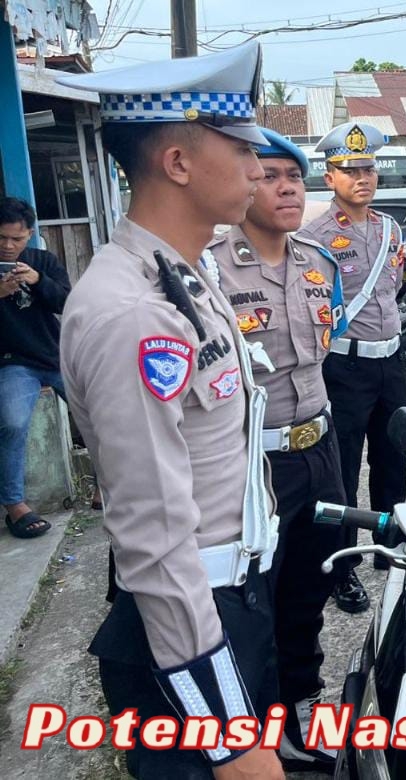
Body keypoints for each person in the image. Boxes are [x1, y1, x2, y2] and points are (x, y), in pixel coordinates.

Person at [56, 44, 284, 778]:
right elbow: (154, 538)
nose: (259, 169)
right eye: (241, 149)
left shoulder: (183, 272)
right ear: (178, 163)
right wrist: (229, 737)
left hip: (232, 600)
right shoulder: (133, 312)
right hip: (188, 623)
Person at [205, 129, 349, 772]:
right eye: (269, 176)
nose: (287, 188)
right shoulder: (210, 268)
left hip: (320, 451)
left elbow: (328, 352)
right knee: (252, 601)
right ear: (243, 184)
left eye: (294, 176)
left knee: (309, 591)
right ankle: (258, 729)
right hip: (253, 466)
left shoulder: (321, 263)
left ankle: (301, 706)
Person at [298, 121, 406, 614]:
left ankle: (389, 548)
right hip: (344, 366)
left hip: (392, 360)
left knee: (393, 457)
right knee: (341, 470)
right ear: (330, 177)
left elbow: (393, 287)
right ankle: (342, 568)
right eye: (350, 170)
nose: (362, 178)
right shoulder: (312, 238)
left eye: (368, 169)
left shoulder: (390, 229)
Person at [0, 197, 70, 539]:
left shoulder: (43, 261)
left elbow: (68, 302)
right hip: (13, 363)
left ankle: (107, 487)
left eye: (16, 238)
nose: (8, 245)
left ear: (29, 234)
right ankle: (15, 506)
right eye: (1, 237)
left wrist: (39, 279)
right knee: (12, 423)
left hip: (57, 356)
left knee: (101, 412)